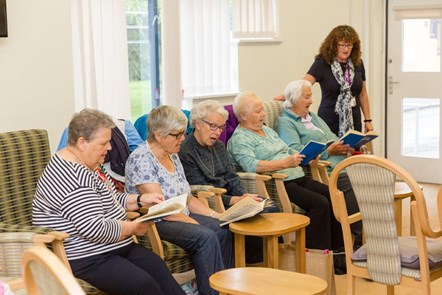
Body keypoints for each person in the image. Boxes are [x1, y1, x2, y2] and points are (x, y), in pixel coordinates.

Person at [32, 108, 185, 295]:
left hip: (115, 246)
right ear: (82, 143)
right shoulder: (71, 176)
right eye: (104, 143)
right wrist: (134, 228)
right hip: (88, 257)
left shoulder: (88, 164)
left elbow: (108, 200)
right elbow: (95, 229)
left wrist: (139, 200)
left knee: (158, 269)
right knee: (144, 286)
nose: (110, 148)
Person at [125, 105, 234, 295]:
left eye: (183, 133)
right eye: (177, 135)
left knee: (223, 227)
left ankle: (224, 288)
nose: (183, 139)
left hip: (179, 215)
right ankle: (211, 292)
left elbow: (188, 198)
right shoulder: (141, 159)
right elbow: (162, 209)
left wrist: (217, 215)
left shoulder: (172, 155)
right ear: (159, 135)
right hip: (157, 221)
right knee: (206, 236)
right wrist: (195, 223)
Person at [227, 91, 343, 254]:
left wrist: (305, 157)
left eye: (263, 109)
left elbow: (285, 148)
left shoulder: (266, 130)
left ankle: (338, 251)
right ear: (243, 116)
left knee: (332, 194)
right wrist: (285, 163)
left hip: (296, 175)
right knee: (319, 203)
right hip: (278, 183)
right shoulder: (240, 139)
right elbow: (251, 166)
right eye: (258, 111)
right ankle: (314, 254)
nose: (263, 114)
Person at [178, 100, 279, 263]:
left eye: (221, 127)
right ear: (197, 123)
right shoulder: (186, 151)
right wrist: (233, 200)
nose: (217, 132)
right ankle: (250, 262)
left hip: (232, 198)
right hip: (210, 203)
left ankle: (263, 259)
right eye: (213, 126)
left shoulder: (218, 146)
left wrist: (243, 194)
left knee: (271, 207)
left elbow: (231, 175)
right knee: (260, 213)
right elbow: (199, 189)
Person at [275, 79, 363, 250]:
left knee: (376, 177)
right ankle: (358, 241)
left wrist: (345, 147)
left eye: (310, 96)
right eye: (306, 97)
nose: (311, 101)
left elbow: (332, 137)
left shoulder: (313, 117)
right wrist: (328, 152)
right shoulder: (286, 122)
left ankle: (376, 232)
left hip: (343, 162)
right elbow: (296, 152)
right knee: (354, 182)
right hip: (326, 169)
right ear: (293, 100)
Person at [305, 25, 373, 137]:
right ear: (333, 46)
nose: (345, 49)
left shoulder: (358, 63)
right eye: (341, 45)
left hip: (353, 118)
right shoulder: (322, 63)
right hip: (329, 119)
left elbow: (363, 94)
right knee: (334, 153)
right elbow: (304, 84)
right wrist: (287, 95)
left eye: (349, 45)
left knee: (353, 152)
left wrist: (368, 120)